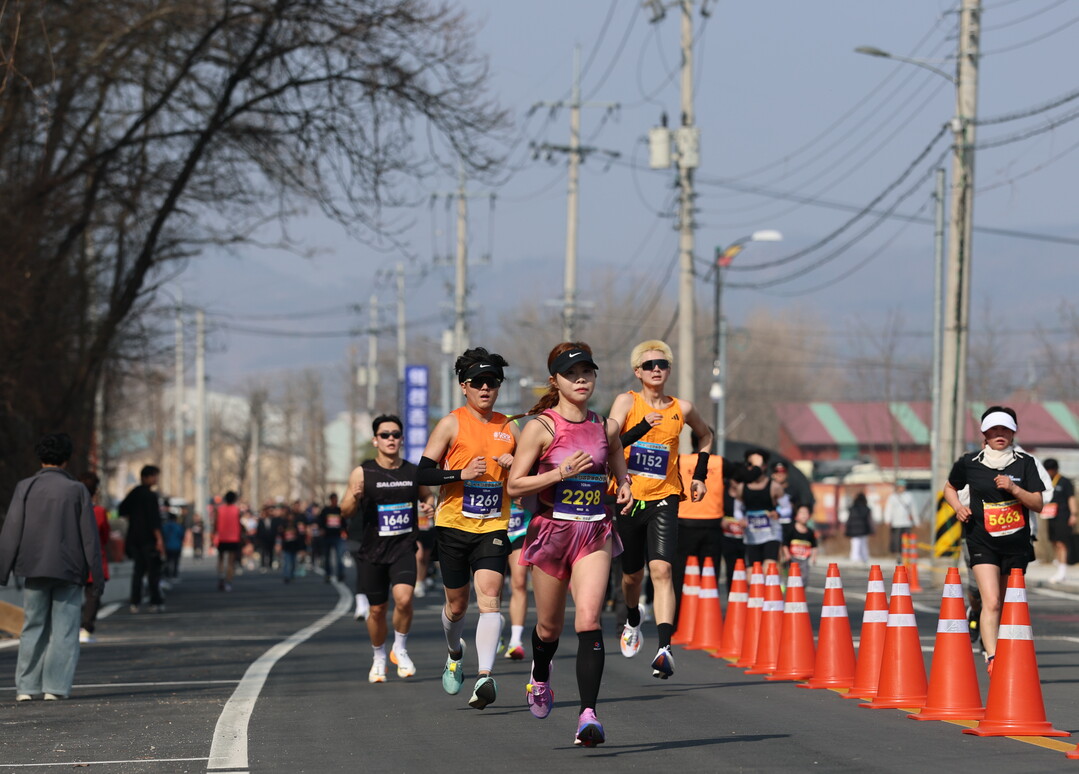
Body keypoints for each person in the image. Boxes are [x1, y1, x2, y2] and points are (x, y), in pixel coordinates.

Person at [506, 342, 633, 747]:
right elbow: (514, 486)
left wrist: (625, 485)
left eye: (587, 373)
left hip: (594, 530)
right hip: (552, 531)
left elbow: (615, 459)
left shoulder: (604, 426)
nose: (581, 380)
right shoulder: (540, 428)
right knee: (549, 626)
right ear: (555, 381)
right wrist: (558, 473)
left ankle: (588, 716)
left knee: (589, 620)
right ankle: (540, 675)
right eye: (572, 374)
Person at [417, 347, 517, 710]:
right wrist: (460, 474)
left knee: (491, 598)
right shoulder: (451, 423)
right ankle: (454, 653)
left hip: (493, 525)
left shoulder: (510, 426)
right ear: (464, 386)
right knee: (457, 606)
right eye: (478, 383)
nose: (485, 388)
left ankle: (485, 676)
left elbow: (529, 473)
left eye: (492, 382)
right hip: (453, 525)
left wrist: (515, 463)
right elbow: (423, 473)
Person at [609, 340, 712, 679]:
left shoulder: (681, 407)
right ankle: (632, 617)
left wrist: (699, 474)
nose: (657, 369)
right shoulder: (627, 402)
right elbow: (605, 445)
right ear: (637, 372)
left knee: (663, 571)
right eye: (650, 364)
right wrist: (641, 428)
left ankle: (665, 648)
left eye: (663, 364)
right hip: (628, 498)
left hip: (665, 497)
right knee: (631, 576)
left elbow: (705, 435)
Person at [0, 434, 103, 701]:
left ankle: (26, 688)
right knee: (65, 628)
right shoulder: (78, 490)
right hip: (69, 571)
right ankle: (54, 688)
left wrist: (3, 569)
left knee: (32, 626)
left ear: (40, 458)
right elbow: (89, 536)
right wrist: (98, 577)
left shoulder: (26, 487)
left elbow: (11, 529)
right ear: (66, 459)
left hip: (33, 568)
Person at [945, 406, 1043, 676]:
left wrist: (1013, 488)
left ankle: (1006, 648)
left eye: (1005, 429)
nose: (1000, 434)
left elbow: (1037, 503)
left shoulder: (1025, 463)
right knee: (992, 601)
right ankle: (993, 657)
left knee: (1008, 602)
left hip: (1015, 544)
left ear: (1013, 432)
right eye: (994, 430)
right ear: (984, 433)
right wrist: (957, 507)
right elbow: (949, 488)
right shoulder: (969, 463)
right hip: (981, 541)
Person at [342, 414, 435, 683]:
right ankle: (379, 656)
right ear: (375, 440)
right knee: (377, 611)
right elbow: (345, 511)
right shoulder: (363, 472)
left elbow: (426, 495)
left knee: (405, 600)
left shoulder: (412, 471)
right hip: (373, 551)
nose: (391, 439)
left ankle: (400, 648)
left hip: (404, 547)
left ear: (402, 439)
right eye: (385, 435)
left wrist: (429, 504)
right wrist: (355, 497)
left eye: (395, 434)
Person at [673, 438, 724, 623]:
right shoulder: (719, 462)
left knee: (678, 575)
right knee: (709, 574)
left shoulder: (680, 460)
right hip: (711, 524)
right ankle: (707, 620)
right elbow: (746, 475)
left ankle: (675, 619)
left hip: (683, 522)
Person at [119, 464, 165, 612]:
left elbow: (121, 509)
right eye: (154, 476)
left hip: (133, 538)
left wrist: (134, 519)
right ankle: (155, 601)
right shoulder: (151, 496)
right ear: (146, 477)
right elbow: (154, 521)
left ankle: (135, 602)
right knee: (153, 571)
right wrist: (159, 539)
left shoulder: (134, 493)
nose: (156, 479)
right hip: (148, 539)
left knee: (138, 571)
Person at [731, 450, 787, 568]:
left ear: (765, 466)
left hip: (771, 534)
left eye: (758, 464)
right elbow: (737, 509)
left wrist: (778, 513)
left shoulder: (774, 487)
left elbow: (787, 509)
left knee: (769, 567)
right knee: (753, 572)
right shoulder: (741, 488)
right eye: (750, 464)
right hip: (752, 535)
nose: (754, 467)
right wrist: (740, 519)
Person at [77, 472, 110, 644]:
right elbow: (105, 537)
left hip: (73, 559)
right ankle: (86, 627)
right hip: (95, 559)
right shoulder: (99, 512)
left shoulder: (72, 510)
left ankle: (69, 627)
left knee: (70, 595)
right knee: (93, 596)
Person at [502, 495, 534, 661]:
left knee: (519, 582)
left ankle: (515, 640)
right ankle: (495, 629)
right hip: (495, 527)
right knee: (492, 588)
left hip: (521, 527)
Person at [1042, 458, 1076, 584]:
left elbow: (1071, 498)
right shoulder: (1046, 482)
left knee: (1062, 543)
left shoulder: (1065, 482)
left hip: (1063, 516)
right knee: (1054, 542)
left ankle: (1062, 571)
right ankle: (1059, 565)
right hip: (1050, 516)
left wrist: (1073, 514)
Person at [781, 504, 818, 585]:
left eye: (806, 513)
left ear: (809, 516)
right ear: (796, 516)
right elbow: (785, 543)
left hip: (804, 559)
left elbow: (814, 546)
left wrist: (814, 557)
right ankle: (786, 585)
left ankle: (801, 590)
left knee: (804, 576)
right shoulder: (791, 530)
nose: (804, 515)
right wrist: (787, 555)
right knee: (791, 575)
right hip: (792, 558)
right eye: (801, 513)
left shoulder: (810, 532)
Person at [883, 480, 918, 564]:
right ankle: (899, 555)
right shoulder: (892, 497)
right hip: (896, 523)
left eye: (903, 487)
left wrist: (917, 521)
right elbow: (889, 509)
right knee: (897, 541)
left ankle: (907, 555)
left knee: (907, 541)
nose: (901, 488)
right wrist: (887, 519)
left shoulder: (909, 496)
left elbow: (913, 509)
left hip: (906, 523)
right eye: (900, 486)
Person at [213, 491, 243, 591]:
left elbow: (215, 523)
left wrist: (213, 535)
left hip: (222, 537)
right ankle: (228, 582)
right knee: (231, 561)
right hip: (234, 538)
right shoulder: (237, 510)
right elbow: (239, 523)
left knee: (220, 558)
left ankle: (221, 576)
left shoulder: (219, 509)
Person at [319, 493, 347, 584]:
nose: (335, 502)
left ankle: (340, 574)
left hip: (337, 537)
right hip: (327, 537)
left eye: (336, 500)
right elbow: (320, 521)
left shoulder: (339, 510)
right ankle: (328, 574)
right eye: (333, 500)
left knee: (339, 556)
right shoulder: (325, 510)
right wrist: (322, 529)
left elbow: (344, 522)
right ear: (330, 500)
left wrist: (344, 531)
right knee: (327, 558)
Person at [845, 492, 873, 564]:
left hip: (854, 529)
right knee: (864, 544)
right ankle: (865, 558)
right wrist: (871, 529)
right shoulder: (866, 509)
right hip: (864, 529)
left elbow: (849, 519)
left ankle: (854, 558)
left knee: (855, 544)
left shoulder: (852, 508)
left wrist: (847, 528)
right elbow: (869, 520)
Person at [279, 506, 305, 582]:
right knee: (287, 562)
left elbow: (299, 537)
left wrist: (301, 548)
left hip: (294, 546)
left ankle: (292, 575)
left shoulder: (296, 526)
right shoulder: (284, 525)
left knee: (293, 562)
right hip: (286, 546)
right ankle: (287, 576)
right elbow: (281, 535)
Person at [161, 511, 186, 581]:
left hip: (167, 546)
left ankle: (167, 574)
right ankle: (174, 575)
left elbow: (163, 536)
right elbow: (181, 536)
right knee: (175, 561)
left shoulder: (164, 526)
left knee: (167, 561)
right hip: (176, 546)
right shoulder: (178, 526)